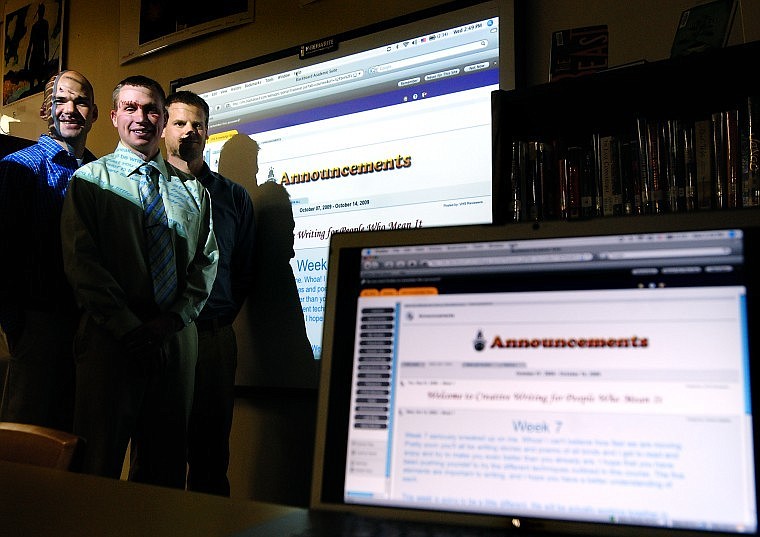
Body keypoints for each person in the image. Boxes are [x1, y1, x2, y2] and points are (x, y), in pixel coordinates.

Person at [60, 76, 218, 489]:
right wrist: (131, 329)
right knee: (97, 468)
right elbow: (83, 263)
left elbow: (206, 264)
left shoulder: (193, 192)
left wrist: (169, 323)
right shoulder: (90, 182)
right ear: (113, 117)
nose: (141, 118)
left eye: (151, 110)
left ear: (164, 119)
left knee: (165, 471)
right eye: (130, 108)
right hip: (110, 341)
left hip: (174, 342)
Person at [163, 91, 256, 496]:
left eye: (198, 124)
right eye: (180, 123)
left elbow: (245, 269)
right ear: (164, 127)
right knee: (159, 454)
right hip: (163, 338)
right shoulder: (149, 185)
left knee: (211, 458)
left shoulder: (234, 197)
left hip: (216, 337)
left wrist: (217, 316)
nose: (190, 131)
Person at [0, 70, 98, 431]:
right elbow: (4, 252)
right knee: (28, 440)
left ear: (96, 112)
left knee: (79, 438)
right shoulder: (18, 167)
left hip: (92, 326)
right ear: (46, 111)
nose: (70, 109)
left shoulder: (102, 172)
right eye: (60, 100)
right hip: (38, 324)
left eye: (80, 100)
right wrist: (15, 326)